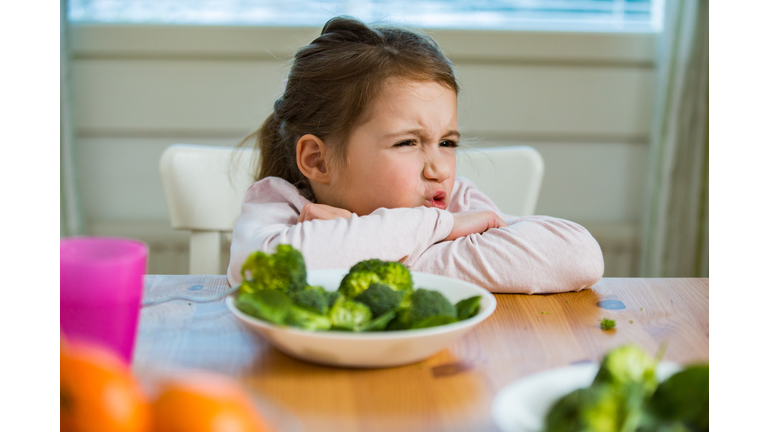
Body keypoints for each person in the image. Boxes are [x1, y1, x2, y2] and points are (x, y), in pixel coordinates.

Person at [227, 16, 604, 294]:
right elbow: (257, 273)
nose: (439, 169)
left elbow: (578, 256)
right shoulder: (279, 204)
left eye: (448, 143)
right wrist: (439, 230)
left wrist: (350, 256)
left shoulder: (457, 201)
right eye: (407, 143)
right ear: (318, 161)